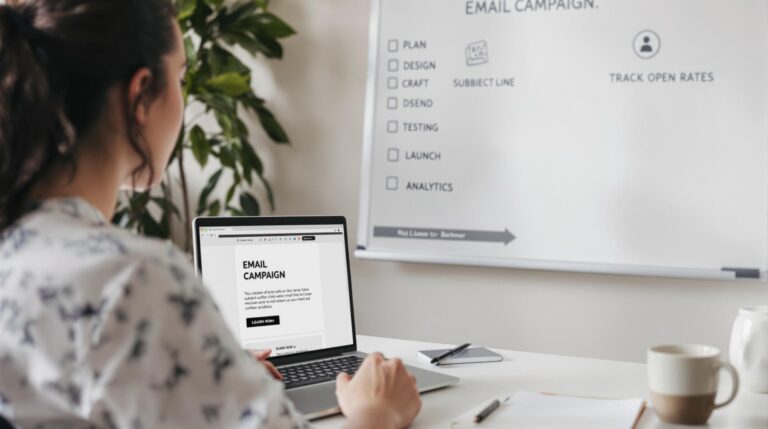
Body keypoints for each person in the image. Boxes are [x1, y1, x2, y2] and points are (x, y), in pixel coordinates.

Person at [0, 0, 421, 428]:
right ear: (141, 95)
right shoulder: (130, 280)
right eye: (181, 78)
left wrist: (207, 378)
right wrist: (377, 412)